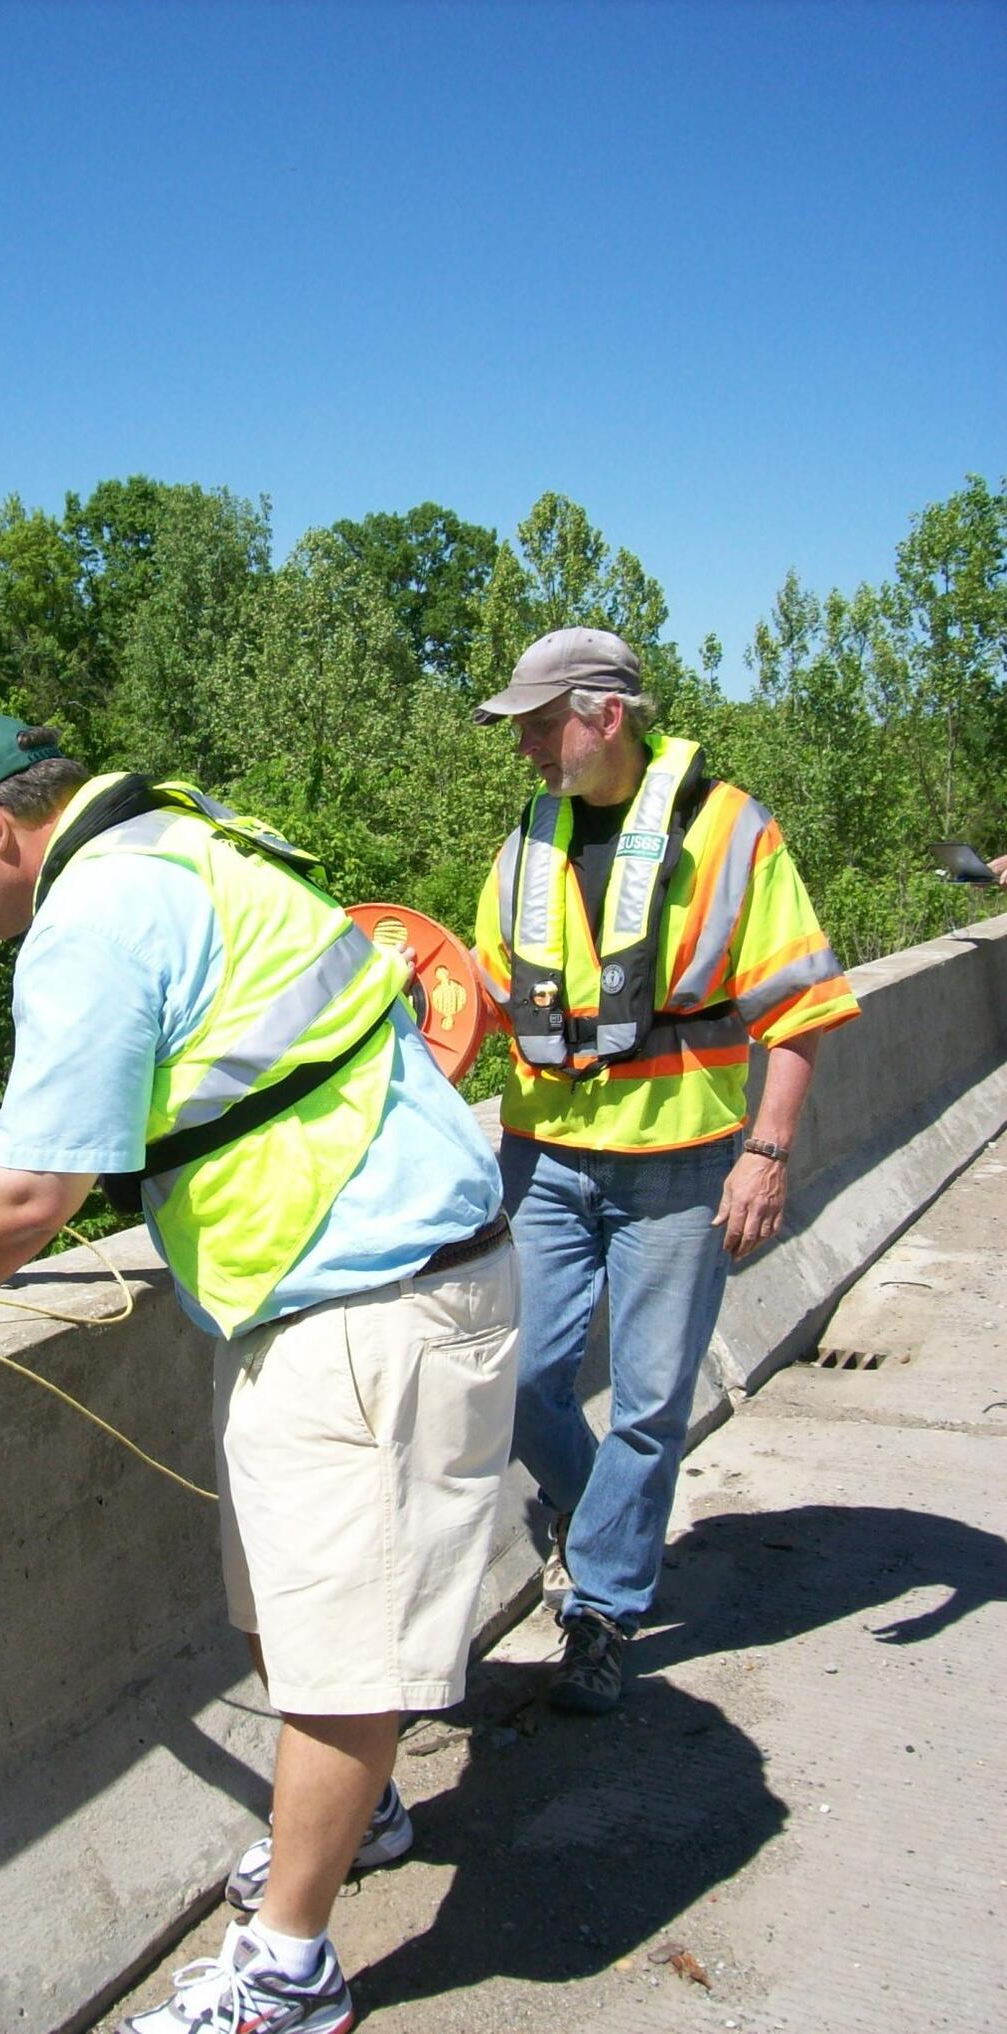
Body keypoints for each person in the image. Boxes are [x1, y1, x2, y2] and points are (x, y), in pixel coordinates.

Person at [0, 716, 519, 2034]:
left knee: (342, 1643)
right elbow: (194, 1078)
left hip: (372, 1294)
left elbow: (27, 1199)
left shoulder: (94, 915)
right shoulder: (176, 845)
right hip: (344, 1286)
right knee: (292, 1605)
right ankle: (365, 1820)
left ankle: (288, 1972)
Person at [472, 629, 859, 1715]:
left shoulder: (730, 829)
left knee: (647, 1400)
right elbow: (485, 992)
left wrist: (766, 1153)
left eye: (541, 727)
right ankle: (603, 1523)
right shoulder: (527, 837)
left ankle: (601, 1607)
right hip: (541, 1153)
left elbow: (799, 1006)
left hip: (681, 1161)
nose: (527, 752)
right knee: (511, 1381)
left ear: (603, 715)